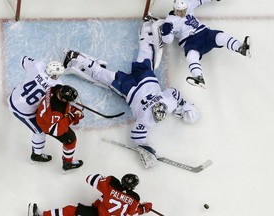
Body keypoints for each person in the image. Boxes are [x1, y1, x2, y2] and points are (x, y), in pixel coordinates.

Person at [61, 18, 200, 168]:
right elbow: (136, 137)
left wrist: (184, 105)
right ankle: (74, 58)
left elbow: (174, 93)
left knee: (145, 52)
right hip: (128, 86)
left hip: (144, 76)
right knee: (103, 76)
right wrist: (145, 149)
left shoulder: (167, 103)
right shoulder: (148, 118)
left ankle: (147, 26)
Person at [160, 0, 251, 87]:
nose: (183, 13)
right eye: (180, 11)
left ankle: (240, 48)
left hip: (204, 33)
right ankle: (198, 77)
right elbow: (168, 40)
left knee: (221, 36)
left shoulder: (187, 5)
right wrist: (166, 32)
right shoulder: (170, 21)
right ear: (175, 10)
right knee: (191, 56)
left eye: (184, 10)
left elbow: (198, 1)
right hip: (190, 41)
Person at [7, 57, 64, 162]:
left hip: (12, 97)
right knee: (40, 132)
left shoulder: (39, 65)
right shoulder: (57, 85)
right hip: (23, 112)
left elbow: (23, 60)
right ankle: (36, 155)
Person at [28, 173, 153, 216]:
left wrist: (102, 179)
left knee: (71, 211)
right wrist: (144, 208)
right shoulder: (135, 199)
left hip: (99, 214)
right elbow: (132, 212)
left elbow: (90, 178)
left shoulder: (111, 183)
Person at [36, 84, 84, 171]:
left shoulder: (56, 88)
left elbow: (62, 105)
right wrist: (75, 117)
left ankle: (36, 154)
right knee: (71, 140)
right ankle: (67, 164)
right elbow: (58, 130)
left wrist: (72, 109)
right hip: (48, 125)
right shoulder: (57, 111)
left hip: (43, 115)